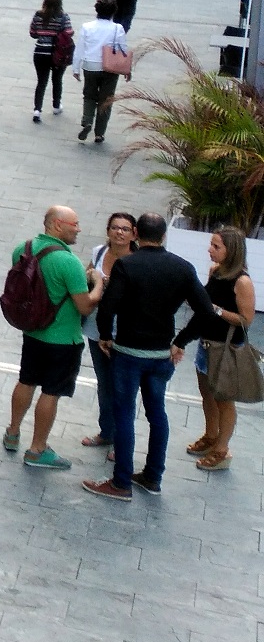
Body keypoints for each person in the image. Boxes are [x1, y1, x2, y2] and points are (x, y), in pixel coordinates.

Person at [82, 211, 212, 499]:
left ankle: (121, 482)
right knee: (157, 414)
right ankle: (153, 476)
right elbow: (205, 311)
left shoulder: (127, 265)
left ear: (137, 233)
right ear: (164, 235)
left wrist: (105, 336)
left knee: (125, 414)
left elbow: (108, 306)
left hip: (127, 352)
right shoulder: (183, 267)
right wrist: (180, 341)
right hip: (161, 354)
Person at [3, 205, 102, 471]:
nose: (79, 229)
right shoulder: (68, 262)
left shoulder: (22, 248)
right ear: (57, 225)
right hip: (63, 339)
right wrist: (99, 283)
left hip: (33, 332)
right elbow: (84, 306)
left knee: (26, 380)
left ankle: (12, 433)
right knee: (51, 392)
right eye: (75, 224)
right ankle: (37, 450)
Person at [184, 225, 256, 474]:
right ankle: (210, 435)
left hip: (226, 348)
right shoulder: (216, 271)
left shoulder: (242, 281)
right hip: (206, 344)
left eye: (216, 246)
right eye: (211, 245)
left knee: (224, 400)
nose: (210, 250)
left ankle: (222, 449)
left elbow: (246, 320)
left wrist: (215, 309)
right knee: (207, 394)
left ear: (231, 250)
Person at [82, 214, 137, 451]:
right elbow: (85, 275)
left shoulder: (137, 260)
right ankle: (107, 432)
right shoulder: (99, 252)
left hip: (124, 332)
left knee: (123, 387)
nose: (119, 233)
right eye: (115, 228)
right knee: (104, 383)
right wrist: (94, 278)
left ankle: (122, 442)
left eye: (125, 229)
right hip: (97, 328)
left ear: (134, 234)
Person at [74, 0, 128, 145]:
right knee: (106, 100)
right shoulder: (118, 28)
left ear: (97, 11)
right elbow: (123, 49)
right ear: (113, 12)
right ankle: (100, 133)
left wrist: (75, 68)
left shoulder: (87, 27)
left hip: (90, 65)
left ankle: (87, 121)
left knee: (89, 96)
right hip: (110, 67)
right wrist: (127, 70)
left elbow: (80, 48)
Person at [28, 0, 72, 124]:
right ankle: (56, 106)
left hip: (40, 52)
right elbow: (69, 32)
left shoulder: (38, 15)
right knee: (57, 80)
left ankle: (37, 110)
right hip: (58, 54)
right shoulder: (63, 17)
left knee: (41, 82)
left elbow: (33, 33)